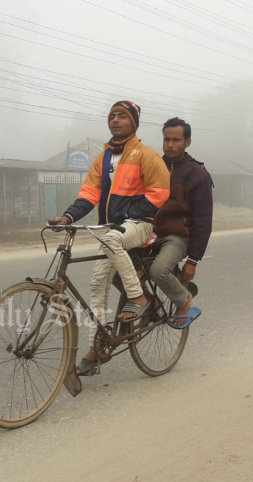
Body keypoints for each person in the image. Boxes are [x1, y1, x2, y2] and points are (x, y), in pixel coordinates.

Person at [49, 101, 170, 376]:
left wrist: (129, 214)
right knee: (96, 284)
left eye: (122, 116)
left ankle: (139, 298)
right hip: (110, 229)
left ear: (133, 123)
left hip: (139, 225)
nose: (115, 120)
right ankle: (95, 351)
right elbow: (89, 194)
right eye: (112, 116)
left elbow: (159, 192)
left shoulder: (146, 155)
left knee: (111, 240)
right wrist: (68, 218)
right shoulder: (103, 158)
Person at [151, 117, 213, 328]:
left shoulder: (197, 174)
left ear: (187, 142)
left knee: (158, 271)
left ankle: (183, 298)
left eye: (176, 140)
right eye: (166, 139)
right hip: (148, 233)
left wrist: (193, 260)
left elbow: (203, 220)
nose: (170, 145)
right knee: (115, 268)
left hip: (177, 236)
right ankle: (149, 304)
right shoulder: (153, 167)